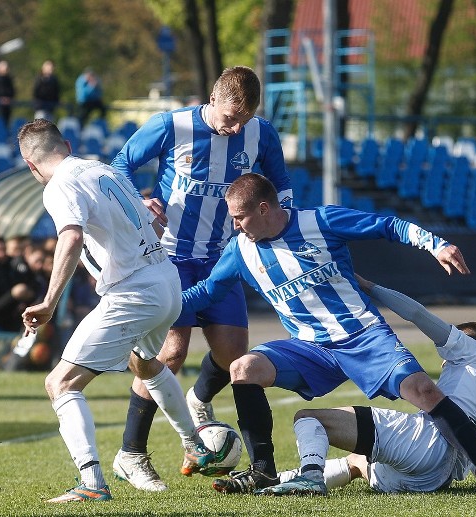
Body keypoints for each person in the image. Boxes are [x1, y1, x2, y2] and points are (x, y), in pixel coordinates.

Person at [180, 173, 476, 494]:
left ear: (264, 209)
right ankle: (263, 470)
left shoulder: (320, 221)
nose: (235, 225)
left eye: (239, 217)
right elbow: (208, 292)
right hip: (310, 347)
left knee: (424, 389)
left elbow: (387, 225)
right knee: (243, 369)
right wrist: (161, 309)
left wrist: (435, 244)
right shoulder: (239, 250)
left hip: (363, 336)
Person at [109, 65, 293, 491]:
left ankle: (198, 401)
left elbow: (281, 183)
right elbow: (117, 167)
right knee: (170, 355)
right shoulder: (169, 126)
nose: (235, 128)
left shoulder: (260, 133)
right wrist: (140, 200)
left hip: (223, 257)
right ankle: (131, 453)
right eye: (230, 118)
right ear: (212, 100)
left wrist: (281, 221)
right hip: (169, 256)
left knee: (235, 358)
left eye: (243, 120)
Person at [17, 119, 214, 503]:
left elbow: (71, 236)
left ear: (30, 164)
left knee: (60, 383)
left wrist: (49, 302)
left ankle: (92, 484)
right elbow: (151, 224)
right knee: (144, 362)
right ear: (68, 145)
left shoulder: (59, 185)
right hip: (167, 280)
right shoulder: (104, 169)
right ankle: (196, 445)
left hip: (135, 291)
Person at [265, 278, 476, 495]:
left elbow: (418, 314)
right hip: (435, 480)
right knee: (356, 463)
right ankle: (274, 481)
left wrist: (369, 286)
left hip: (424, 444)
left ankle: (310, 478)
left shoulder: (472, 351)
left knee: (308, 418)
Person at [0, 60, 15, 127]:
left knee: (7, 123)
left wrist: (8, 99)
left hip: (7, 106)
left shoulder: (9, 80)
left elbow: (12, 91)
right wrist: (0, 99)